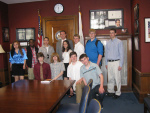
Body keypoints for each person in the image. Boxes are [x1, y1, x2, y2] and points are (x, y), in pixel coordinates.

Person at [105, 28, 124, 99]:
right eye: (110, 33)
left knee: (117, 78)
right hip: (109, 63)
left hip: (116, 62)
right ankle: (111, 91)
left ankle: (118, 92)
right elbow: (106, 53)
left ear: (115, 34)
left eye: (112, 33)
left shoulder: (119, 42)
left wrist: (120, 64)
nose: (111, 34)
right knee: (110, 78)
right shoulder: (108, 42)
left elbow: (121, 54)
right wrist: (106, 63)